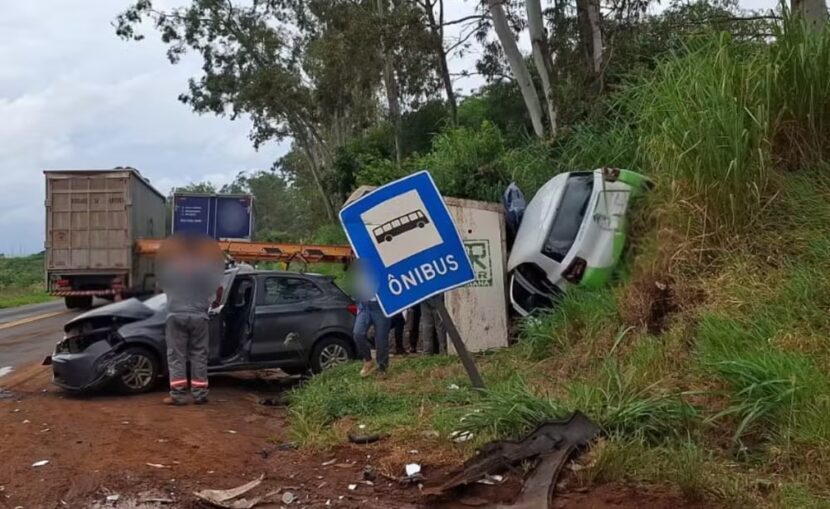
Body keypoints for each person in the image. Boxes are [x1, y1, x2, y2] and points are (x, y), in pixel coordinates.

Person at [157, 234, 224, 405]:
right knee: (199, 355)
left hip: (175, 315)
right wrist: (214, 302)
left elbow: (161, 286)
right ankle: (200, 394)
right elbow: (217, 288)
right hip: (199, 316)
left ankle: (178, 395)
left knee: (176, 356)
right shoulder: (206, 267)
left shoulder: (171, 267)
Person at [351, 262, 391, 377]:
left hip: (380, 307)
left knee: (381, 340)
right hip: (364, 306)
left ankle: (383, 368)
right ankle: (368, 360)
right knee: (357, 333)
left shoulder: (381, 264)